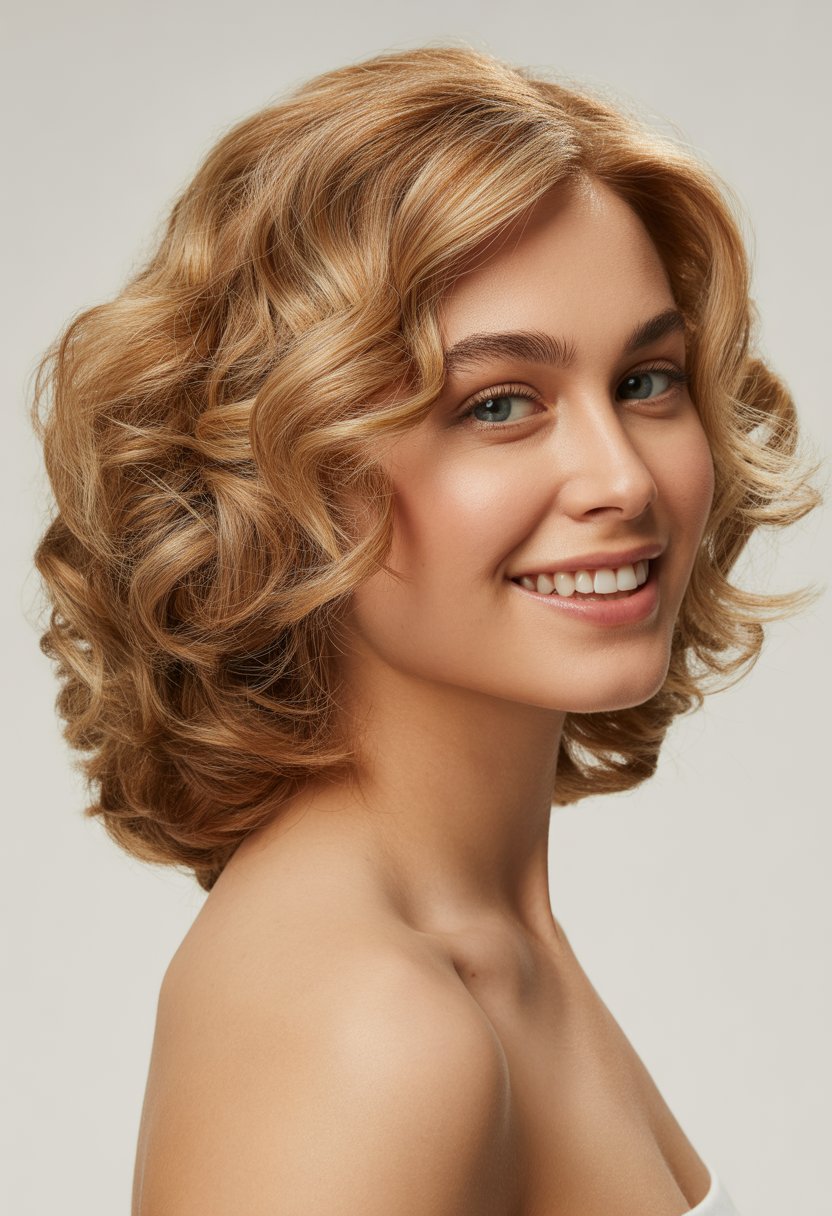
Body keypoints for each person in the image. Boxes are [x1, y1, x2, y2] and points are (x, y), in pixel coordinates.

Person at [32, 45, 820, 1216]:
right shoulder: (364, 1023)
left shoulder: (480, 939)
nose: (622, 479)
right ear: (287, 474)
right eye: (498, 404)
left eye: (646, 381)